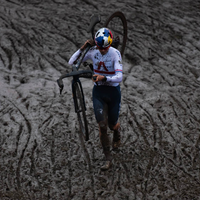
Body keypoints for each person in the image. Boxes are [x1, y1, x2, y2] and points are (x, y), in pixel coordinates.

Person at [68, 27, 122, 170]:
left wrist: (104, 77)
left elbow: (120, 77)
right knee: (102, 126)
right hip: (99, 92)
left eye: (105, 48)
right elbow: (71, 62)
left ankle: (117, 132)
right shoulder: (93, 51)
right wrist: (83, 48)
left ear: (109, 45)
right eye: (100, 48)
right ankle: (108, 158)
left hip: (113, 92)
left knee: (112, 125)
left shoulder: (115, 54)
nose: (102, 51)